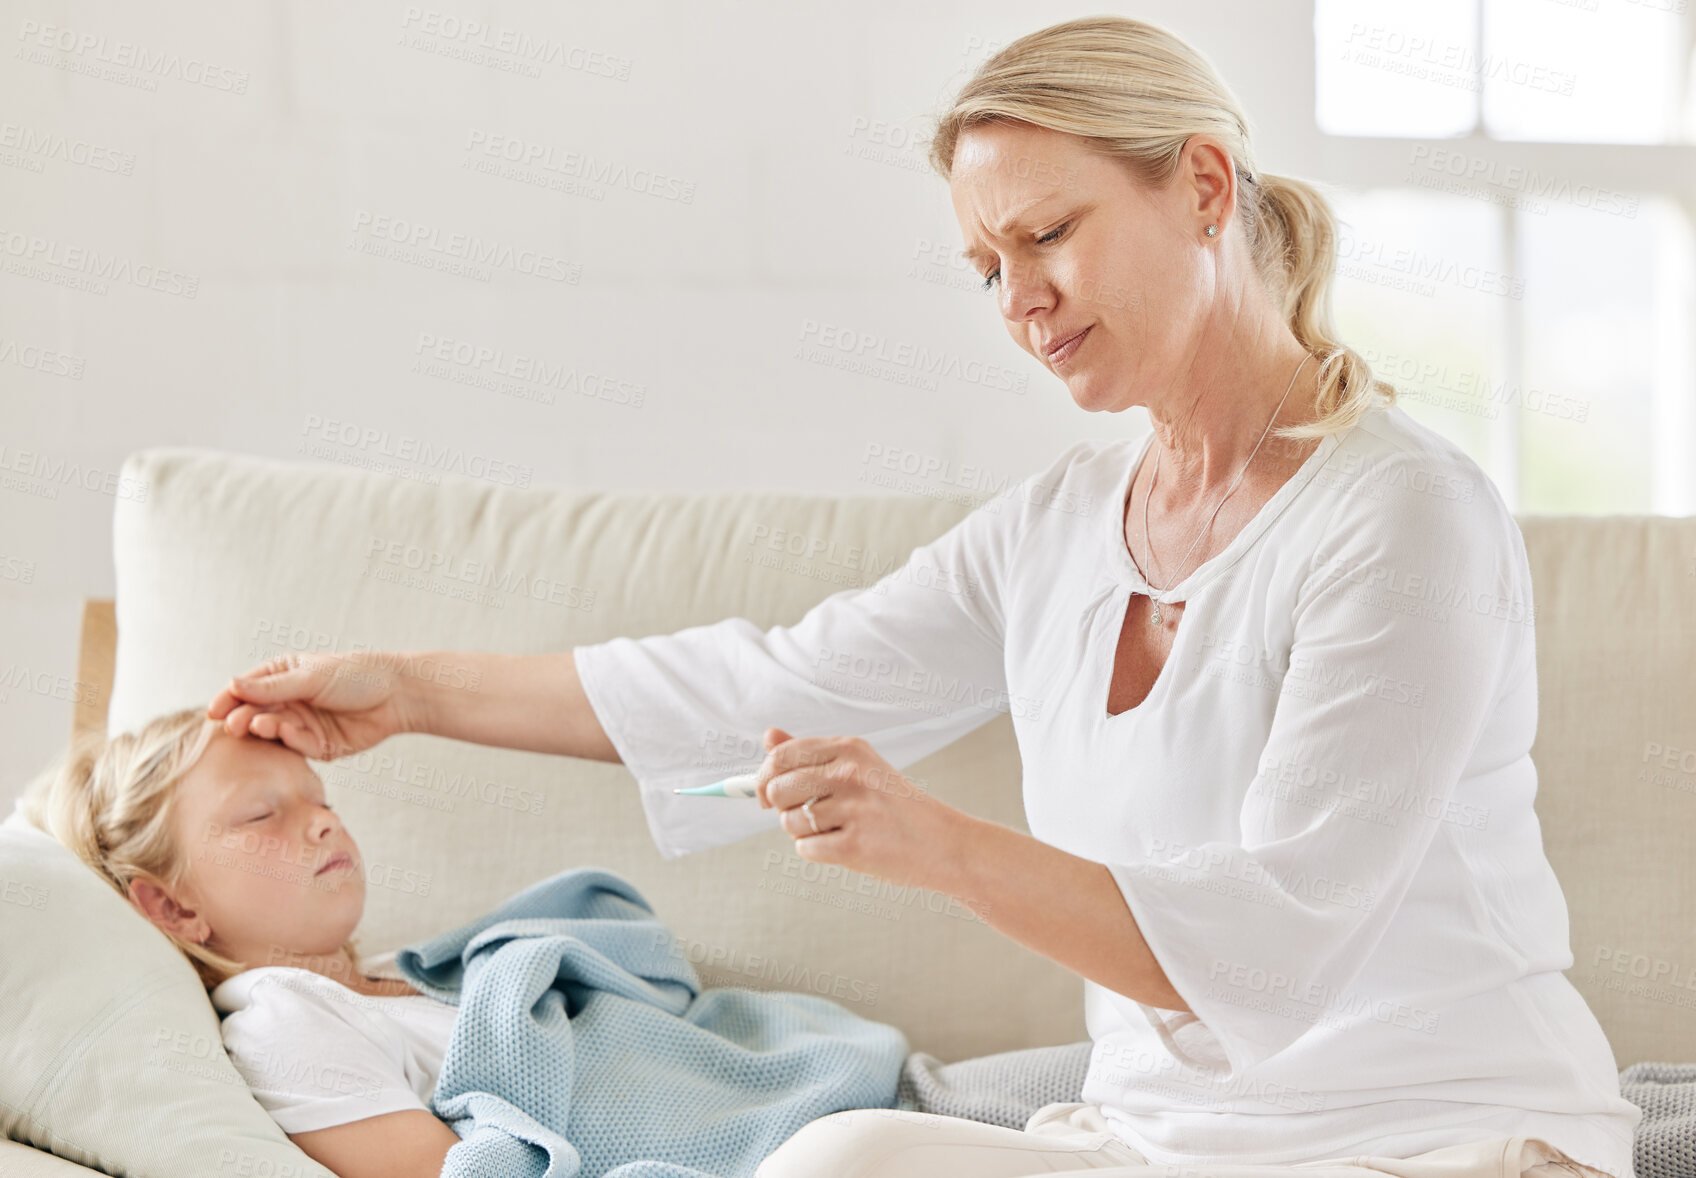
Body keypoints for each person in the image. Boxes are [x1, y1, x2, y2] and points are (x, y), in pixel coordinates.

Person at [205, 14, 1639, 1178]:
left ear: (1202, 184)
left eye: (1050, 234)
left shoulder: (1401, 514)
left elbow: (1265, 953)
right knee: (835, 1160)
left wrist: (939, 844)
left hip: (1434, 1132)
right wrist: (413, 689)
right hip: (1160, 1145)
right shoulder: (1064, 530)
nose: (1019, 298)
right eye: (986, 265)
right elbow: (765, 681)